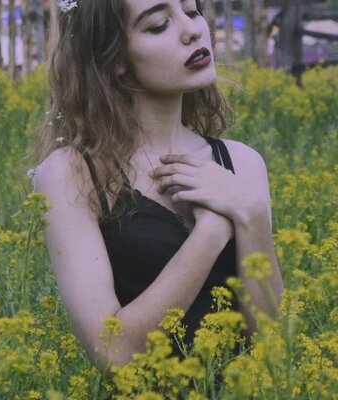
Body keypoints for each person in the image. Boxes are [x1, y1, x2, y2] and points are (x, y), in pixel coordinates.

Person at [31, 0, 284, 372]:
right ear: (115, 57)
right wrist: (212, 231)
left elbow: (274, 350)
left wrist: (252, 215)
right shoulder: (72, 174)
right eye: (158, 25)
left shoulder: (243, 163)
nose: (192, 30)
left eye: (192, 11)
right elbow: (116, 355)